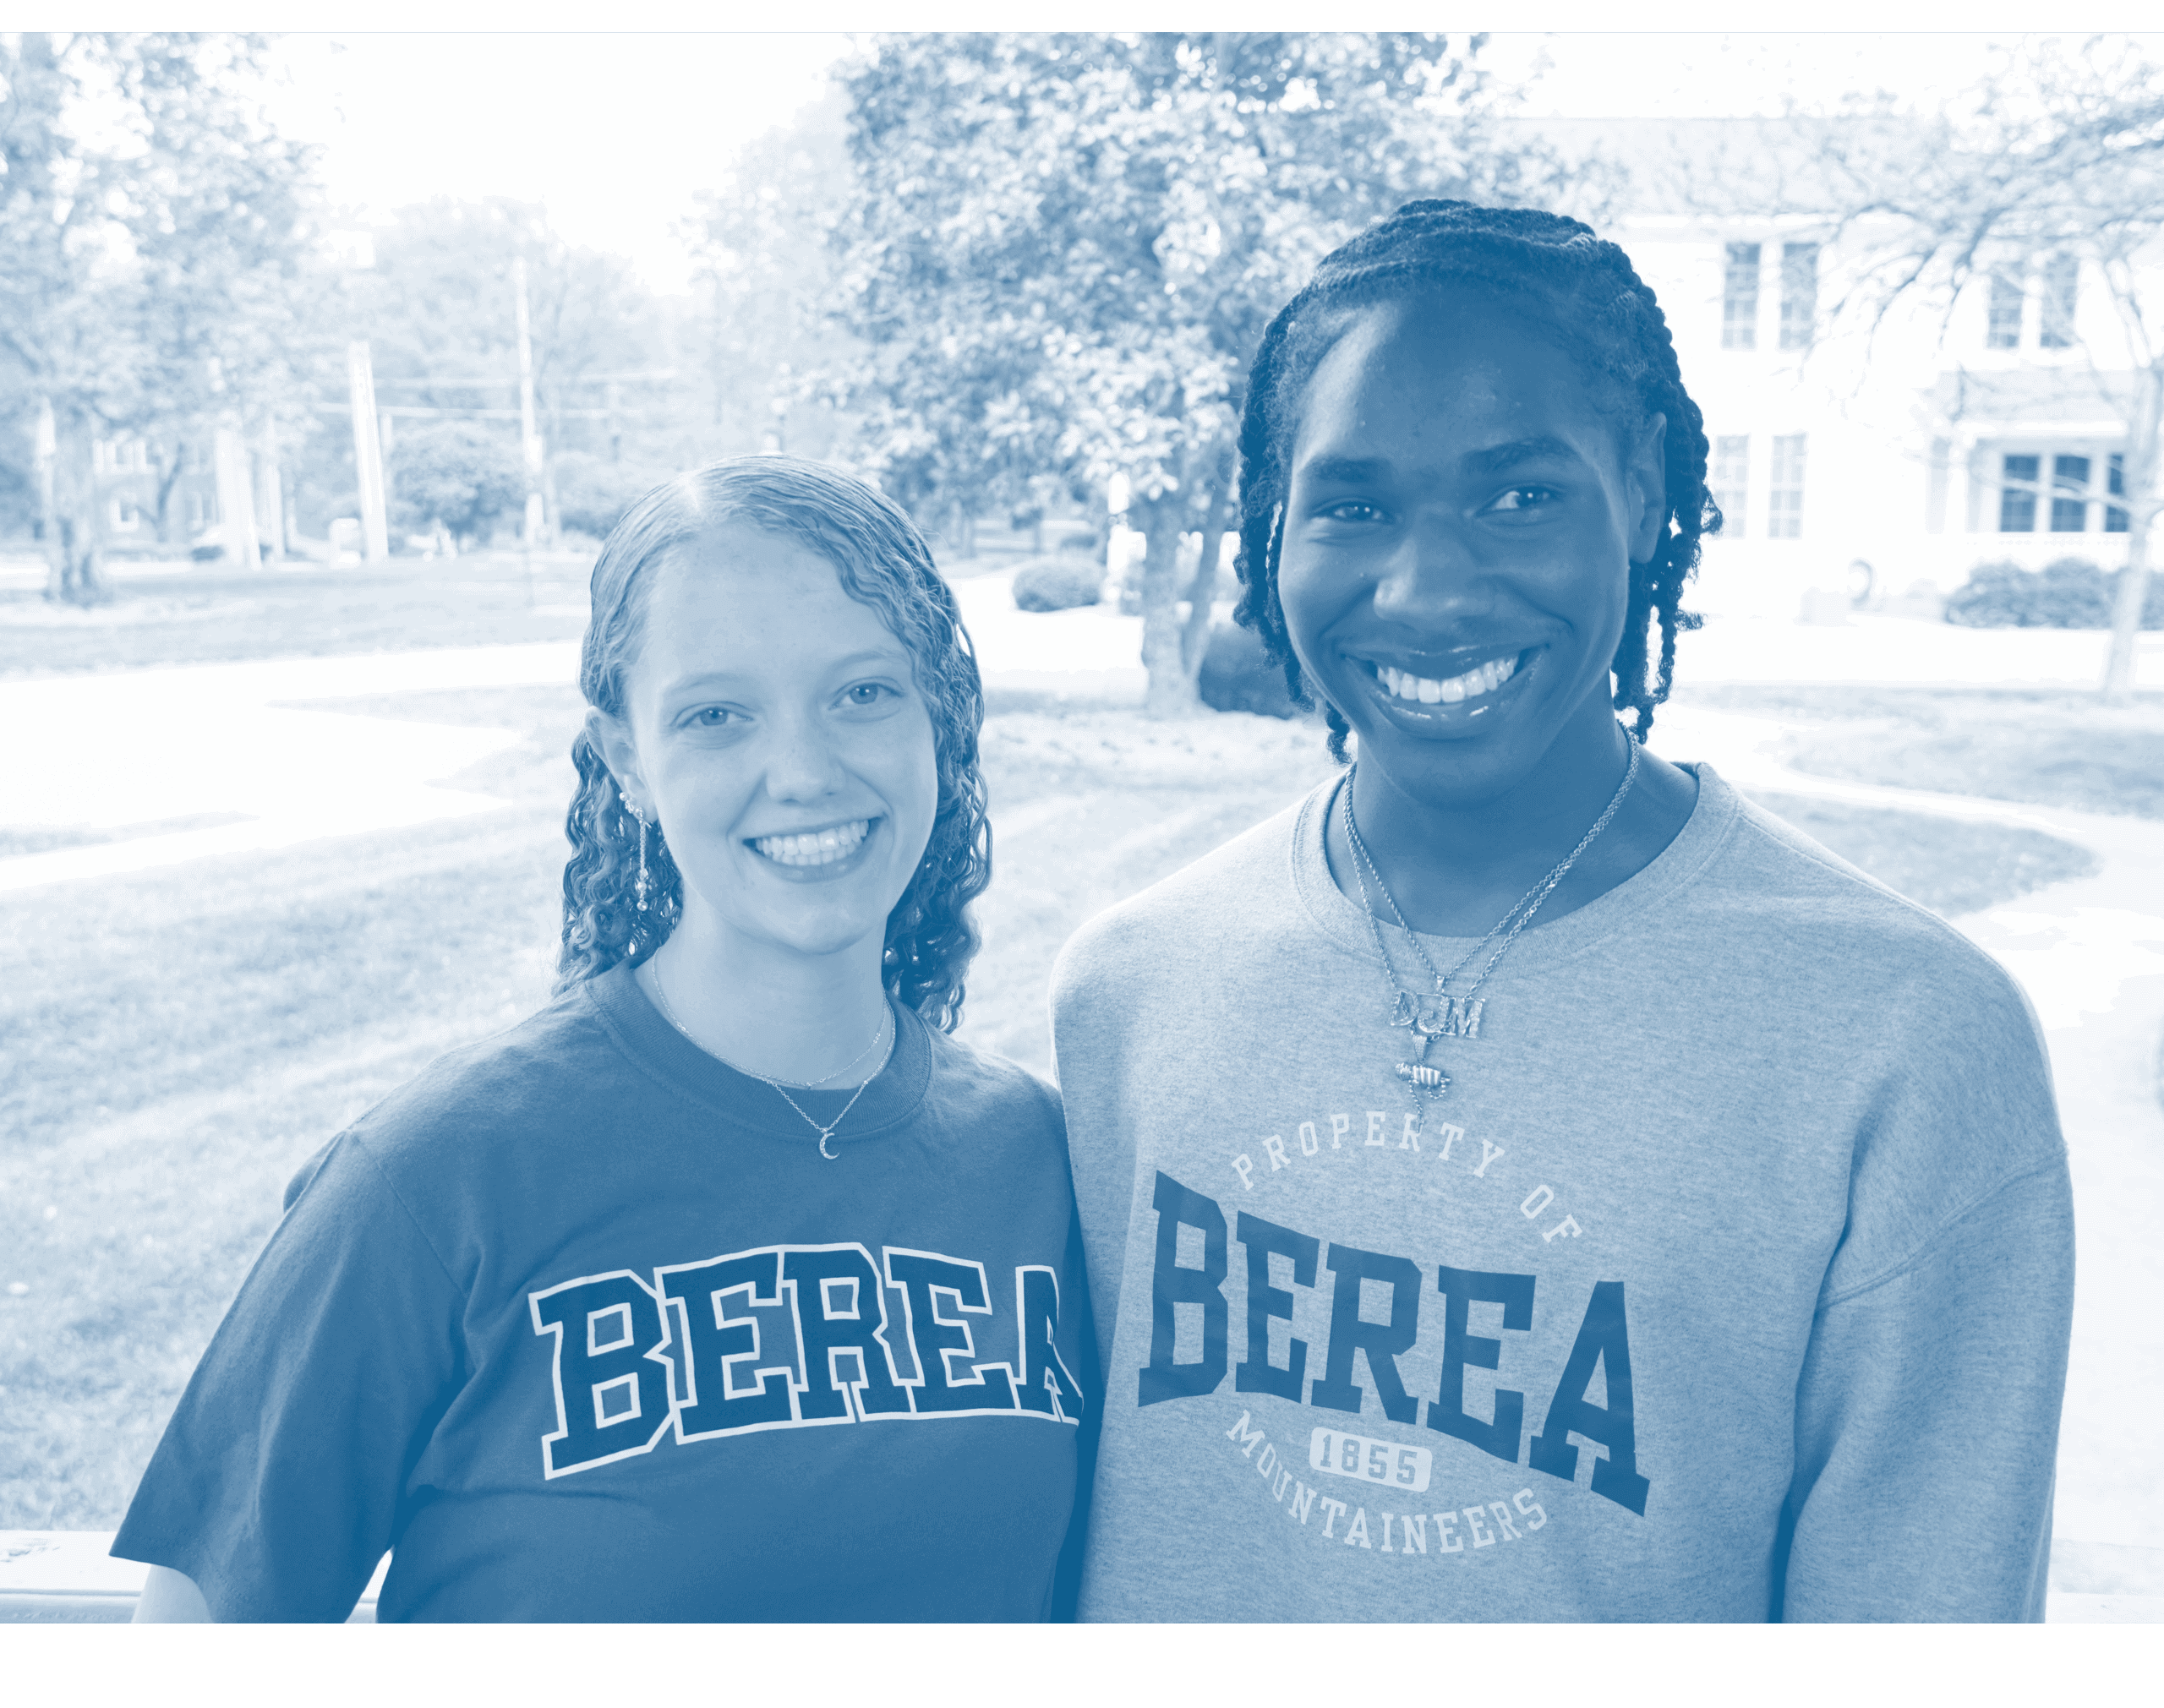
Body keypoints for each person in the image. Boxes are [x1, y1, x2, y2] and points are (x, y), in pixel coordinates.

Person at [1051, 202, 2074, 1623]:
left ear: (1642, 493)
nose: (1427, 591)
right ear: (1275, 527)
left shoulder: (1901, 1039)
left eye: (1519, 497)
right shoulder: (1129, 989)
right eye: (1354, 507)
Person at [117, 456, 1093, 1623]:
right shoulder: (441, 1177)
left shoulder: (1040, 1163)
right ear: (628, 758)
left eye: (864, 693)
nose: (803, 772)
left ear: (940, 714)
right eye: (716, 715)